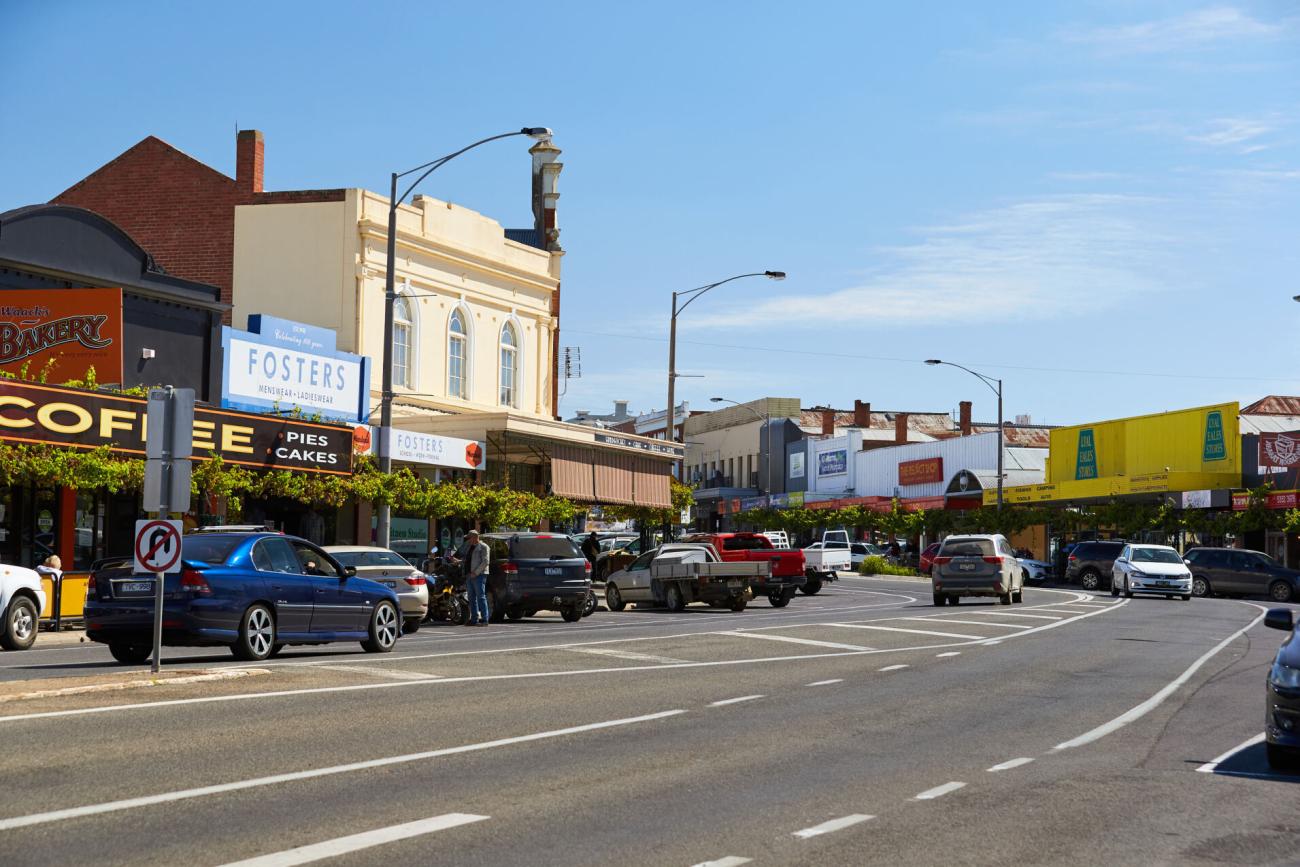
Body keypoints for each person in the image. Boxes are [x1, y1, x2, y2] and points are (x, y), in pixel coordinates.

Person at [456, 529, 491, 626]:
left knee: (481, 597)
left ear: (475, 537)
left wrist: (476, 572)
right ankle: (474, 619)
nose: (468, 540)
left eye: (469, 538)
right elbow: (467, 560)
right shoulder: (469, 547)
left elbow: (485, 561)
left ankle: (485, 619)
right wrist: (458, 562)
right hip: (469, 575)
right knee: (471, 598)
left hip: (479, 575)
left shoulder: (484, 547)